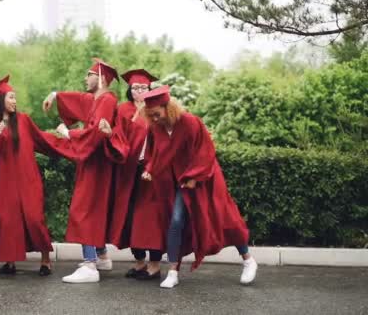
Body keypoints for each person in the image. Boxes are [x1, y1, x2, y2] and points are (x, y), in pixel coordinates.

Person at [140, 86, 258, 288]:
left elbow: (205, 151)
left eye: (157, 114)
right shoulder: (156, 128)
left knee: (225, 218)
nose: (155, 118)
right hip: (179, 181)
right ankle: (173, 272)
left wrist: (195, 176)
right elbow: (154, 153)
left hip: (205, 179)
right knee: (176, 222)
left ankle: (248, 259)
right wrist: (150, 168)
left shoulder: (189, 122)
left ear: (168, 107)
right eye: (151, 115)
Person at [42, 58, 127, 283]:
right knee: (92, 209)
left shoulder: (106, 100)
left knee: (84, 210)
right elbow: (78, 100)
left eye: (89, 74)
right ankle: (101, 256)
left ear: (101, 77)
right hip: (93, 164)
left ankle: (89, 266)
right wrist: (54, 94)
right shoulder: (99, 99)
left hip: (96, 164)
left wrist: (69, 133)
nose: (85, 78)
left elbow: (96, 134)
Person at [0, 75, 73, 276]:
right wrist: (1, 136)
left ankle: (45, 260)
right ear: (0, 99)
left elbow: (43, 140)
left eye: (15, 97)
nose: (14, 101)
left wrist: (71, 146)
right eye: (11, 97)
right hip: (3, 183)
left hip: (27, 179)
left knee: (34, 218)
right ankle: (10, 261)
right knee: (6, 220)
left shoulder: (23, 121)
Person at [106, 69, 167, 280]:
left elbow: (161, 143)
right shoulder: (122, 109)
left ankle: (155, 265)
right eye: (134, 88)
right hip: (128, 171)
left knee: (150, 219)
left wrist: (142, 113)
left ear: (149, 89)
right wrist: (135, 115)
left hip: (151, 173)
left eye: (142, 87)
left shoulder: (156, 110)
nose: (138, 91)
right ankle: (140, 262)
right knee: (130, 217)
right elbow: (119, 137)